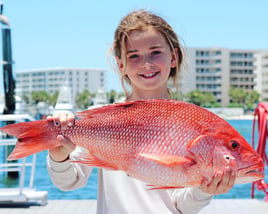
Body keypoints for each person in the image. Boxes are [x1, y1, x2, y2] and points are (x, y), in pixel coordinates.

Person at [47, 9, 236, 214]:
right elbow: (70, 182)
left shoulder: (189, 123)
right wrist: (59, 157)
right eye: (134, 55)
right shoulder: (100, 119)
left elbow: (181, 207)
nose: (147, 63)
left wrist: (203, 191)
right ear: (122, 65)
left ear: (173, 58)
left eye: (156, 52)